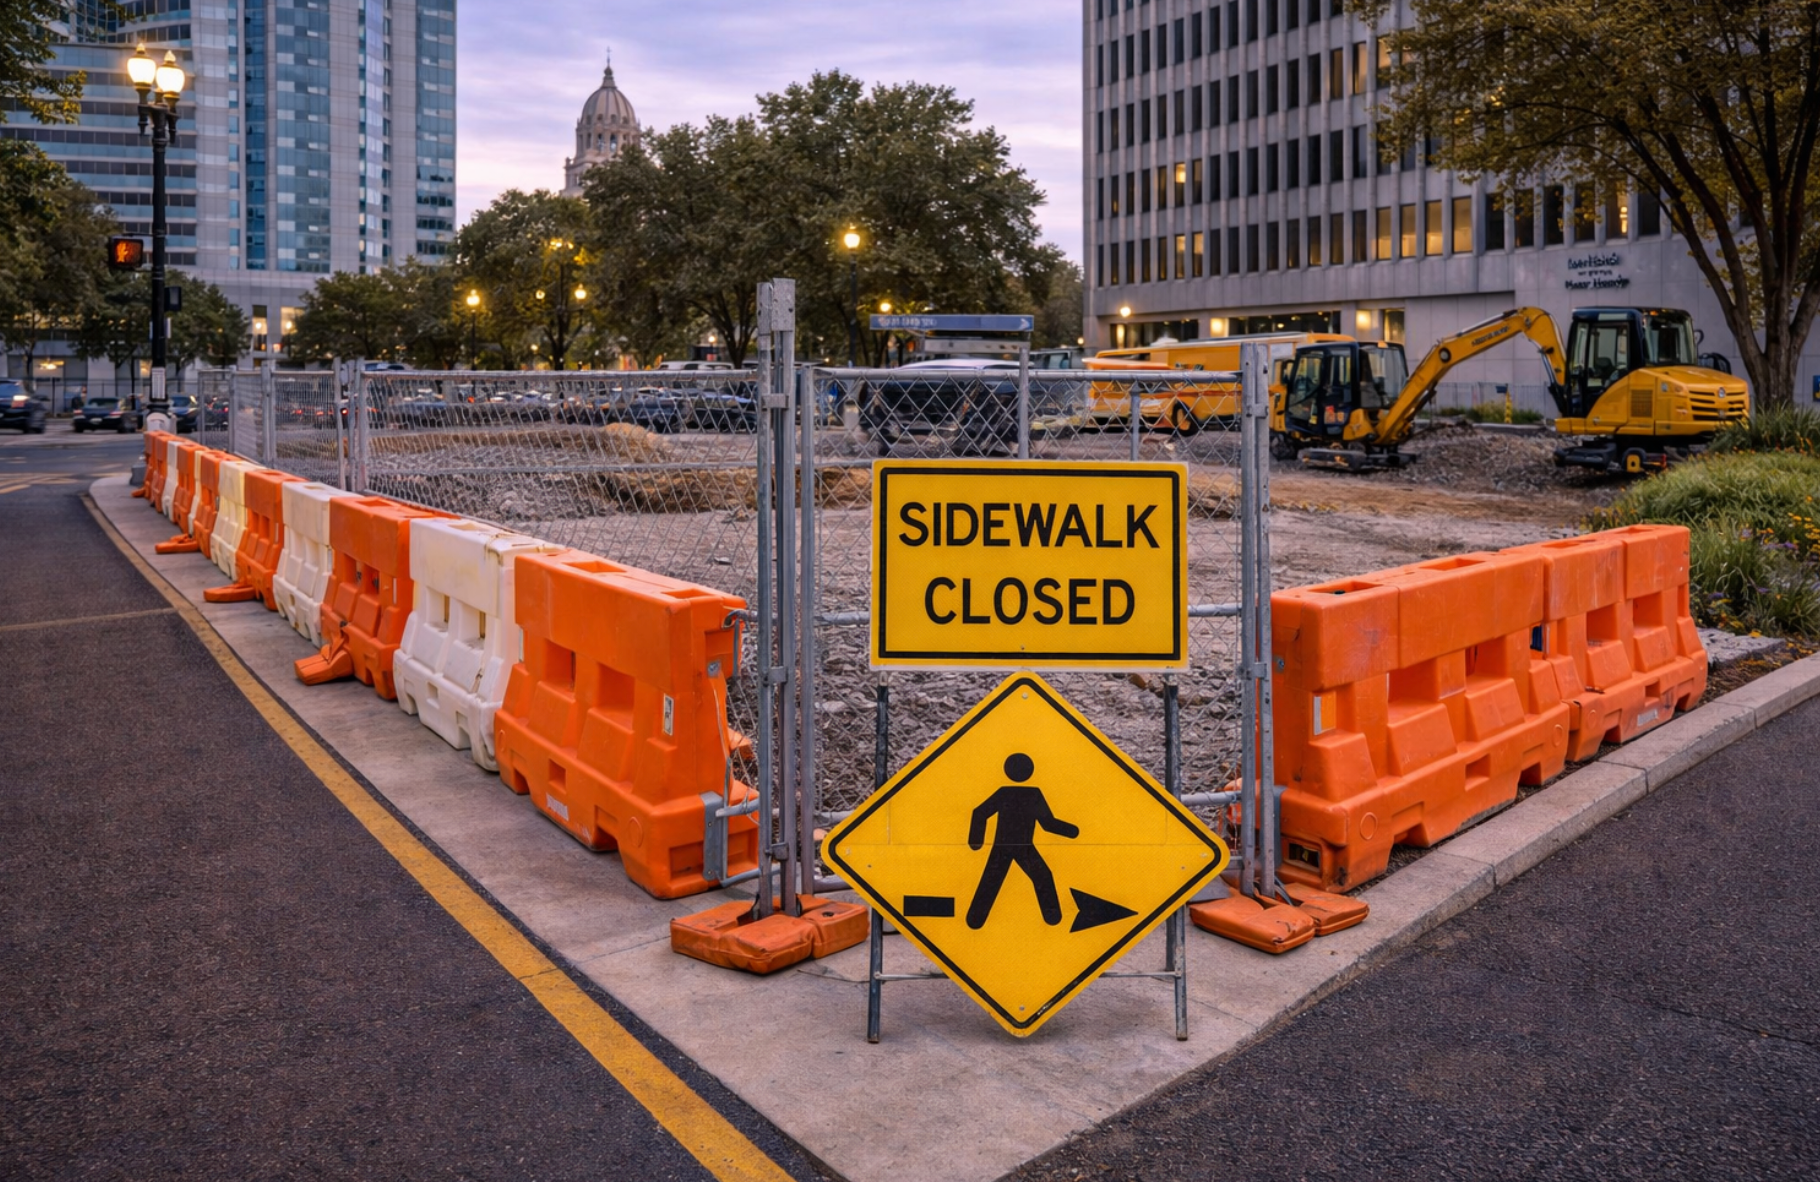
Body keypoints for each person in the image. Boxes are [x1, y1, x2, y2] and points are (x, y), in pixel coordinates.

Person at [965, 753, 1079, 930]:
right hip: (1021, 847)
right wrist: (1072, 831)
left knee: (992, 879)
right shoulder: (1032, 794)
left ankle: (974, 920)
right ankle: (1052, 917)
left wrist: (976, 841)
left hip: (1007, 846)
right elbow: (1048, 824)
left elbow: (980, 813)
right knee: (1041, 876)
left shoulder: (1007, 793)